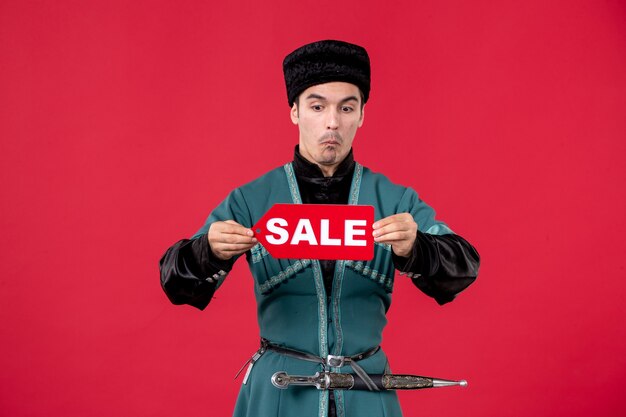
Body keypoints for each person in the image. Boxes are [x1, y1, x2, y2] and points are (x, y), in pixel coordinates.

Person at [160, 39, 480, 417]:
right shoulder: (251, 200)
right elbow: (174, 281)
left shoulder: (394, 200)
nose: (332, 122)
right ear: (294, 111)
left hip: (367, 391)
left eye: (347, 107)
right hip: (277, 394)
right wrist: (206, 251)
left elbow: (464, 266)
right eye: (317, 106)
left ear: (361, 115)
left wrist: (418, 247)